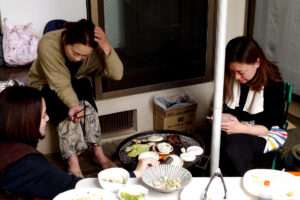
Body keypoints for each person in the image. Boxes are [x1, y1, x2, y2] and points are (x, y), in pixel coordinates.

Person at [0, 86, 159, 200]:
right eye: (43, 116)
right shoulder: (29, 165)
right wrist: (135, 174)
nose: (48, 118)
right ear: (26, 123)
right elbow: (80, 189)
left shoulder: (7, 148)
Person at [27, 19, 124, 178]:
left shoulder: (93, 52)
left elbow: (117, 74)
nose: (78, 58)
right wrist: (73, 105)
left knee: (85, 88)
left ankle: (98, 152)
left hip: (72, 81)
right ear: (65, 40)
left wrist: (106, 47)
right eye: (75, 53)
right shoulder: (48, 44)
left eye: (84, 56)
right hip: (44, 83)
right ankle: (73, 162)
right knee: (64, 107)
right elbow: (61, 85)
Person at [219, 36, 285, 176]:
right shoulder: (232, 78)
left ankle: (236, 183)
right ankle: (221, 177)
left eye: (241, 72)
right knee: (216, 137)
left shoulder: (273, 83)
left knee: (232, 143)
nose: (236, 77)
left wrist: (240, 127)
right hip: (239, 124)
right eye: (232, 71)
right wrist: (221, 116)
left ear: (257, 62)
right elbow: (230, 110)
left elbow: (268, 128)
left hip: (265, 131)